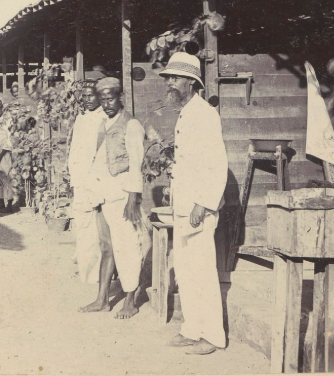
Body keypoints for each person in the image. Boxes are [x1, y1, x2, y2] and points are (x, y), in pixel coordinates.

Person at [160, 52, 228, 355]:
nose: (169, 83)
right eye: (168, 78)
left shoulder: (204, 113)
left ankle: (212, 336)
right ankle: (192, 328)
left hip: (199, 206)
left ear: (191, 81)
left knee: (202, 269)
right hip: (185, 203)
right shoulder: (186, 112)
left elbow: (217, 163)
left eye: (174, 78)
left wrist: (203, 202)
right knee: (186, 270)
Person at [78, 77, 146, 320]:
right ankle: (102, 300)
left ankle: (130, 300)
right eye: (103, 100)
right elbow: (99, 161)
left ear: (120, 98)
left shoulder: (132, 125)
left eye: (111, 99)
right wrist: (93, 194)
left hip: (122, 196)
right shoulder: (103, 125)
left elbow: (136, 165)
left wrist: (132, 199)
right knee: (106, 247)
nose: (107, 104)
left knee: (127, 246)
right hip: (104, 195)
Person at [67, 80, 108, 283]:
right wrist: (73, 175)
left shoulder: (105, 119)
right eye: (84, 95)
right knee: (83, 225)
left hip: (97, 181)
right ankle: (86, 270)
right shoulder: (81, 119)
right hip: (80, 180)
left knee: (96, 227)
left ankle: (97, 273)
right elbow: (74, 149)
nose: (87, 99)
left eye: (91, 95)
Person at [0, 99, 15, 213]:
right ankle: (0, 203)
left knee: (7, 177)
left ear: (2, 108)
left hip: (5, 153)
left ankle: (9, 204)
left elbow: (10, 139)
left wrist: (1, 155)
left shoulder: (7, 120)